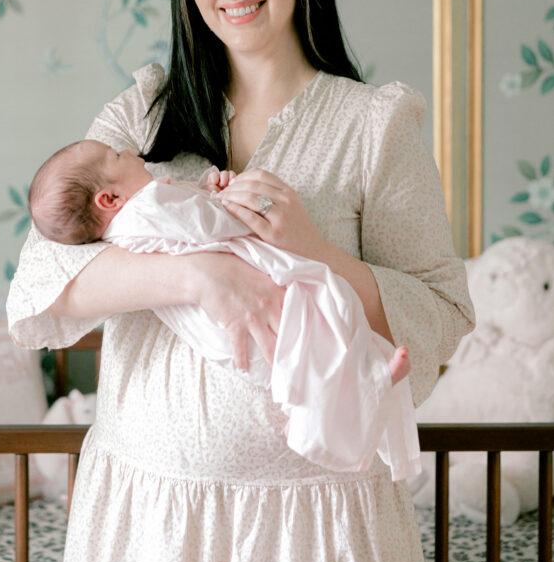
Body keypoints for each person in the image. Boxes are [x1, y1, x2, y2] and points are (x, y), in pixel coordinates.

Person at [7, 0, 474, 562]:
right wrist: (199, 279)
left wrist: (314, 249)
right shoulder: (144, 114)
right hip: (151, 511)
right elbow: (44, 277)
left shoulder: (371, 126)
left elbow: (441, 311)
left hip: (319, 522)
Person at [26, 138, 419, 479]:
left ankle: (323, 406)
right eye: (116, 156)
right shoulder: (145, 207)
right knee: (329, 307)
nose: (129, 152)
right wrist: (232, 203)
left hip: (215, 330)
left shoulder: (127, 227)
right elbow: (208, 225)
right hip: (234, 320)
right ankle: (356, 385)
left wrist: (208, 192)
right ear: (109, 199)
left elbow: (187, 221)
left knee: (304, 345)